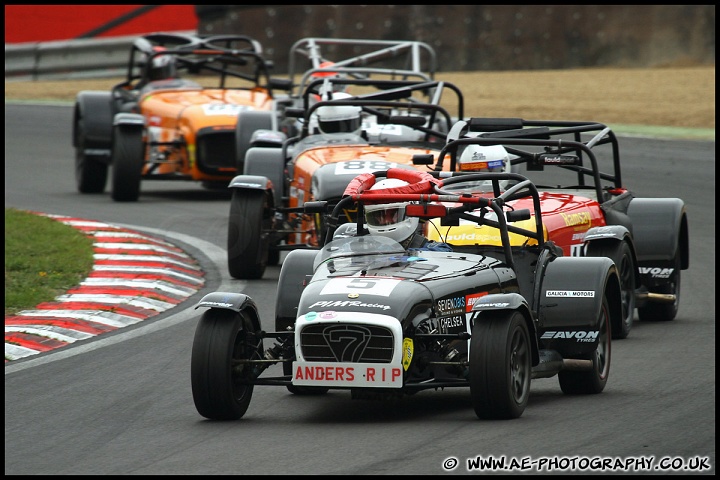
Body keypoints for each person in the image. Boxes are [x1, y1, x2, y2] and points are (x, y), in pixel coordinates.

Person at [364, 178, 453, 252]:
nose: (386, 221)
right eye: (380, 216)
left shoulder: (436, 250)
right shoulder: (365, 252)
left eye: (392, 214)